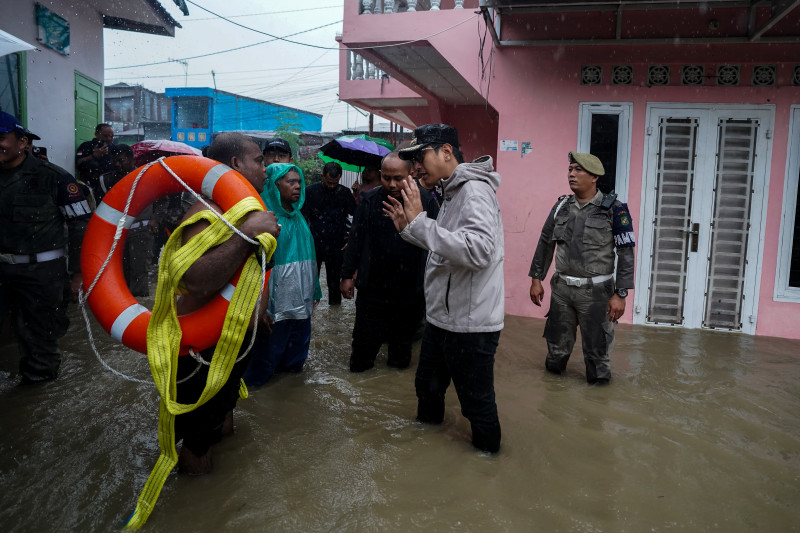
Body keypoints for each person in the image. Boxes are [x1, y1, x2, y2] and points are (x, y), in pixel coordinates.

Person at [383, 123, 505, 454]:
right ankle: (426, 456)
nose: (416, 165)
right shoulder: (451, 191)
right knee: (428, 389)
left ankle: (488, 469)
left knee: (476, 406)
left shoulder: (474, 192)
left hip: (469, 325)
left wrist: (421, 224)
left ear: (446, 152)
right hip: (443, 319)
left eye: (420, 156)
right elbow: (449, 247)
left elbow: (480, 250)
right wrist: (411, 229)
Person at [171, 132, 280, 473]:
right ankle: (198, 506)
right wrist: (248, 234)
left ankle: (224, 492)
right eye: (260, 161)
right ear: (236, 164)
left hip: (235, 339)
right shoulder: (207, 213)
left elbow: (255, 274)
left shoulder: (245, 210)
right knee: (198, 440)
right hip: (202, 348)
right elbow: (198, 280)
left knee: (224, 420)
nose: (267, 169)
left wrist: (259, 313)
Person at [528, 151, 636, 386]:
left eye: (578, 170)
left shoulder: (614, 209)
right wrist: (537, 278)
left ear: (594, 176)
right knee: (556, 352)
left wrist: (621, 294)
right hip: (562, 291)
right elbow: (546, 242)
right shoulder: (561, 207)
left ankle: (595, 413)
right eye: (570, 169)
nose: (572, 174)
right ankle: (553, 404)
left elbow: (625, 253)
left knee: (597, 358)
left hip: (596, 294)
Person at [0, 111, 91, 383]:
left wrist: (78, 274)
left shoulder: (54, 178)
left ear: (22, 142)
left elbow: (81, 226)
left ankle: (35, 395)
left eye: (1, 138)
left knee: (40, 346)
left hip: (42, 276)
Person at [341, 152, 438, 372]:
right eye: (386, 177)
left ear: (411, 172)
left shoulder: (426, 201)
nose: (392, 184)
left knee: (401, 354)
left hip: (410, 290)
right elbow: (355, 239)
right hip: (372, 288)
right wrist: (347, 275)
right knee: (362, 352)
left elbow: (436, 244)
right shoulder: (370, 200)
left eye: (398, 178)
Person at [243, 163, 321, 387]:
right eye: (291, 182)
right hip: (274, 309)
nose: (297, 186)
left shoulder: (299, 219)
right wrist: (261, 308)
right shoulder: (265, 223)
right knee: (263, 368)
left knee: (294, 368)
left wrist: (315, 289)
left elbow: (310, 259)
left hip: (301, 307)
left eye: (299, 182)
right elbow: (255, 269)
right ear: (276, 187)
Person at [302, 161, 356, 306]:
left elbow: (357, 216)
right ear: (322, 176)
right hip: (314, 245)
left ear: (340, 178)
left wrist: (350, 239)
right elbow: (301, 218)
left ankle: (335, 314)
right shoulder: (310, 192)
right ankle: (308, 310)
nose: (332, 186)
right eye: (329, 182)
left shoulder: (344, 193)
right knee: (311, 282)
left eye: (335, 182)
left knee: (334, 284)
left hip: (336, 246)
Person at [109, 144, 157, 297]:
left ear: (130, 159)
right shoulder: (108, 179)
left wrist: (155, 219)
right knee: (121, 270)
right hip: (117, 232)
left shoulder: (144, 177)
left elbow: (162, 201)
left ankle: (138, 307)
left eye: (121, 160)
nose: (118, 164)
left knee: (139, 270)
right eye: (114, 161)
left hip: (141, 231)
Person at [75, 123, 114, 191]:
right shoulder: (86, 146)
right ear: (96, 134)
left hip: (108, 184)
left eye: (111, 136)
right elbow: (78, 163)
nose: (109, 139)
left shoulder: (113, 148)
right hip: (89, 186)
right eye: (105, 136)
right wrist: (94, 155)